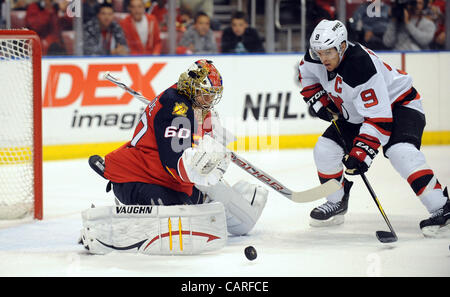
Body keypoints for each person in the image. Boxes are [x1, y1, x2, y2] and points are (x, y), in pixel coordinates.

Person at [81, 60, 267, 254]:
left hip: (164, 179)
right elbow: (174, 162)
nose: (209, 100)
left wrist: (216, 144)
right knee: (177, 215)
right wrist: (205, 166)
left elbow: (206, 136)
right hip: (137, 178)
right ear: (192, 88)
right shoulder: (175, 107)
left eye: (212, 96)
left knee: (201, 208)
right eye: (206, 94)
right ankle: (118, 221)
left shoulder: (197, 105)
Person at [298, 19, 449, 237]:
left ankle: (441, 207)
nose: (323, 58)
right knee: (325, 149)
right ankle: (336, 200)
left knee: (400, 152)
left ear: (342, 46)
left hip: (400, 105)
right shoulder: (316, 57)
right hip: (358, 111)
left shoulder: (361, 66)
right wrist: (319, 100)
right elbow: (307, 76)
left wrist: (361, 153)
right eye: (319, 52)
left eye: (328, 52)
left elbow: (379, 118)